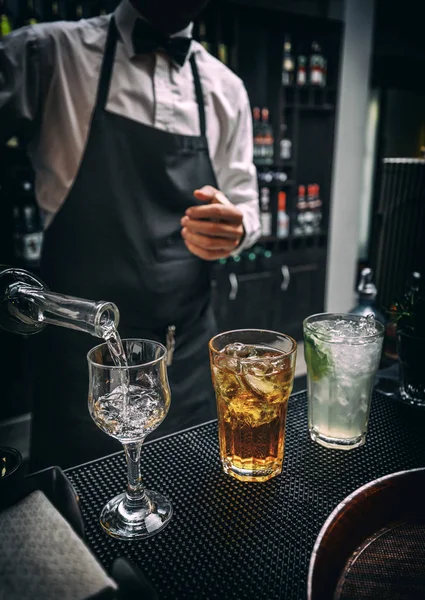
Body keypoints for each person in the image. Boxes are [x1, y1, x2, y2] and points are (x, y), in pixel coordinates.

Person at [0, 0, 260, 470]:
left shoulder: (227, 88)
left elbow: (246, 202)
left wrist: (236, 229)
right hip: (81, 364)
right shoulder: (47, 54)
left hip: (187, 360)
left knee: (190, 497)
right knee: (74, 525)